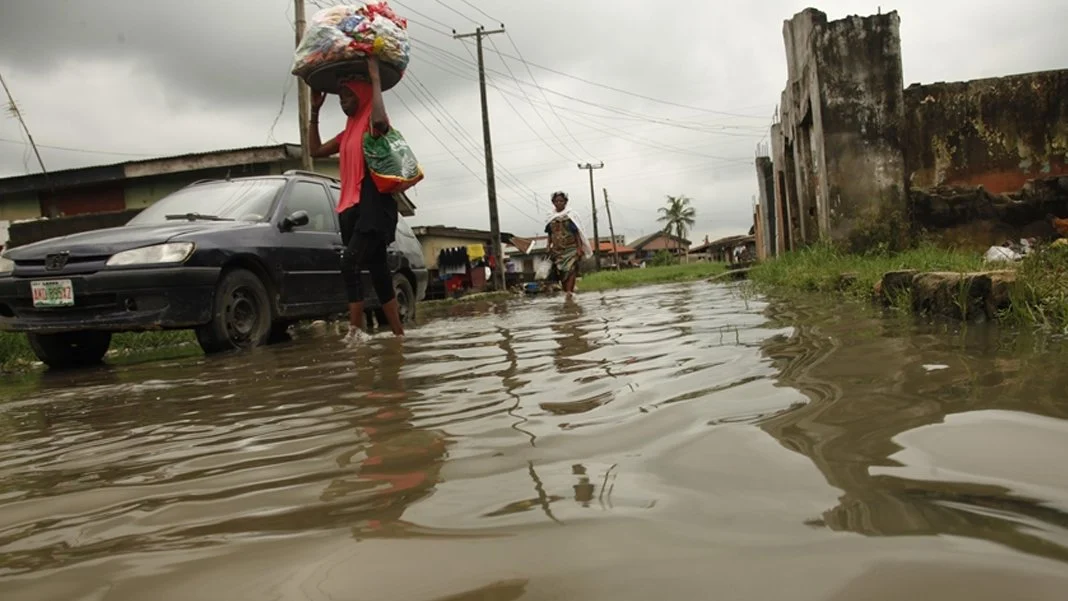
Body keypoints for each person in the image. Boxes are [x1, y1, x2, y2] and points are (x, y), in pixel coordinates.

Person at [307, 58, 403, 342]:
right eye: (341, 96)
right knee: (378, 270)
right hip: (350, 209)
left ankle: (355, 332)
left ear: (361, 94)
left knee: (349, 263)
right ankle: (399, 335)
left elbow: (380, 120)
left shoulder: (371, 125)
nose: (343, 101)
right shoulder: (347, 131)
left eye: (348, 94)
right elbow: (315, 150)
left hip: (374, 209)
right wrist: (315, 110)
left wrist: (375, 81)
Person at [544, 191, 593, 297]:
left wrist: (579, 248)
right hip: (558, 250)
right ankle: (567, 292)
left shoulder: (571, 216)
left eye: (561, 201)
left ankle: (569, 292)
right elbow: (549, 233)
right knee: (562, 271)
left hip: (571, 248)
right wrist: (548, 245)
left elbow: (577, 233)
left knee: (570, 270)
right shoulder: (550, 217)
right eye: (556, 201)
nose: (559, 203)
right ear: (553, 202)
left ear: (565, 202)